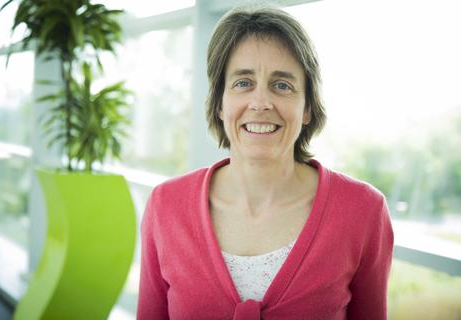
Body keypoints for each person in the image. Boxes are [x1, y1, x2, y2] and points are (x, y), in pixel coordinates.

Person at [137, 5, 393, 320]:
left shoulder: (363, 210)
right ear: (220, 103)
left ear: (307, 108)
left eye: (282, 85)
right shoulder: (166, 206)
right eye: (243, 83)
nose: (260, 103)